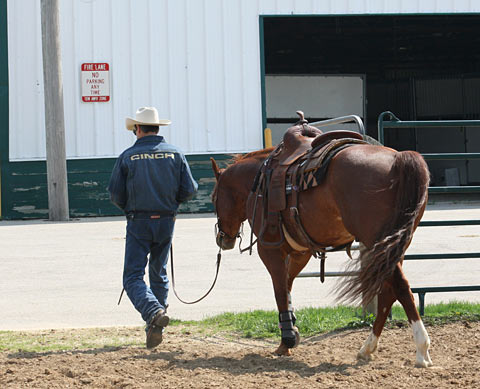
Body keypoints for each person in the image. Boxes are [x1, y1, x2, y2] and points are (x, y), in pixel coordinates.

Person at [108, 107, 198, 349]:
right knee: (159, 271)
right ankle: (155, 323)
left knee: (132, 276)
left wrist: (131, 209)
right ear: (158, 128)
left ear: (137, 129)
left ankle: (153, 312)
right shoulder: (176, 154)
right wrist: (171, 204)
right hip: (166, 220)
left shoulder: (128, 156)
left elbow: (115, 194)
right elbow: (189, 190)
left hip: (139, 221)